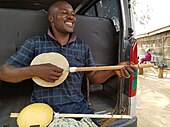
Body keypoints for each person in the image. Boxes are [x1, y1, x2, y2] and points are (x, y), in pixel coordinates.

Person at [0, 0, 136, 126]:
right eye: (64, 13)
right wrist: (34, 71)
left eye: (73, 14)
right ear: (51, 18)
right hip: (43, 109)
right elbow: (4, 73)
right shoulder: (35, 43)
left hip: (78, 109)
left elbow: (93, 77)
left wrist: (114, 71)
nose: (71, 17)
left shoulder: (82, 46)